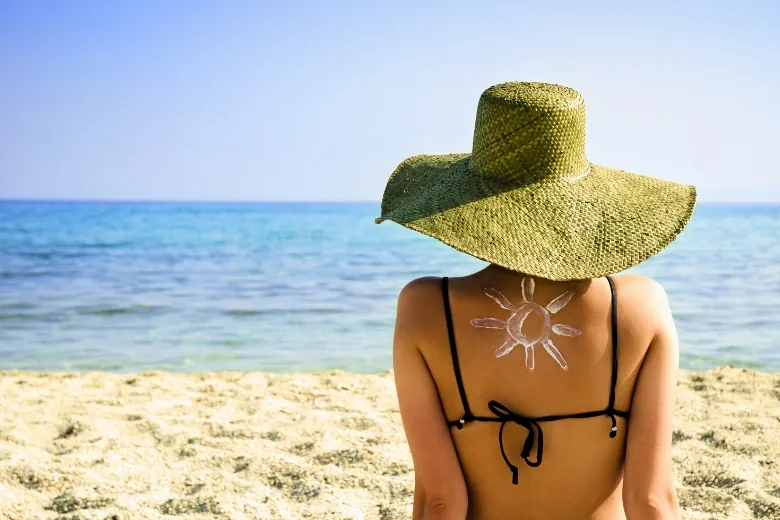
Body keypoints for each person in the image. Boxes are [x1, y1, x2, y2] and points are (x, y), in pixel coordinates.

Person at [375, 82, 696, 519]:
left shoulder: (426, 307)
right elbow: (652, 501)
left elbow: (442, 501)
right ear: (584, 202)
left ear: (469, 203)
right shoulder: (642, 305)